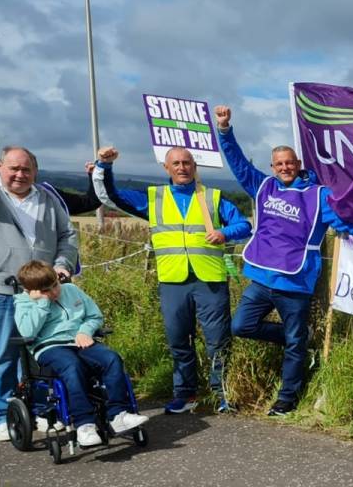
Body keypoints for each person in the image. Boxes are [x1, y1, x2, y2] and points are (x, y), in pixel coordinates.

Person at [214, 104, 353, 416]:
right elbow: (237, 165)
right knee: (241, 326)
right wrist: (224, 130)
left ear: (298, 164)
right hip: (261, 280)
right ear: (272, 167)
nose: (284, 167)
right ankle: (301, 338)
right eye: (278, 164)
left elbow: (347, 224)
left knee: (294, 343)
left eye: (289, 163)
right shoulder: (263, 186)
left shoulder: (319, 195)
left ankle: (286, 400)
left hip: (296, 283)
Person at [93, 145, 250, 414]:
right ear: (166, 168)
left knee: (218, 340)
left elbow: (244, 225)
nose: (182, 167)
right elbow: (113, 197)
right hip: (172, 280)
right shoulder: (153, 198)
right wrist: (104, 167)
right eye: (176, 163)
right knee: (179, 340)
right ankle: (185, 394)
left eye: (187, 163)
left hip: (209, 279)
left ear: (194, 167)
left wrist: (224, 233)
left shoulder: (212, 197)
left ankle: (222, 392)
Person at [0, 146, 81, 441]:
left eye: (26, 169)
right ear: (0, 167)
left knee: (41, 352)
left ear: (35, 171)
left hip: (42, 289)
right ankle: (3, 414)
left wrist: (62, 265)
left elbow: (67, 236)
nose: (19, 175)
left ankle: (38, 409)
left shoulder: (48, 198)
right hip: (0, 287)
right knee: (3, 353)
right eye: (13, 168)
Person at [12, 260, 148, 447]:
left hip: (80, 340)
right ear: (31, 291)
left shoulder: (72, 291)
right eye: (46, 291)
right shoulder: (23, 303)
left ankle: (118, 414)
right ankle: (85, 424)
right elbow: (28, 332)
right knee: (72, 366)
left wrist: (85, 330)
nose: (54, 292)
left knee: (111, 358)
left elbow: (94, 316)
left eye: (55, 285)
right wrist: (41, 304)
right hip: (50, 347)